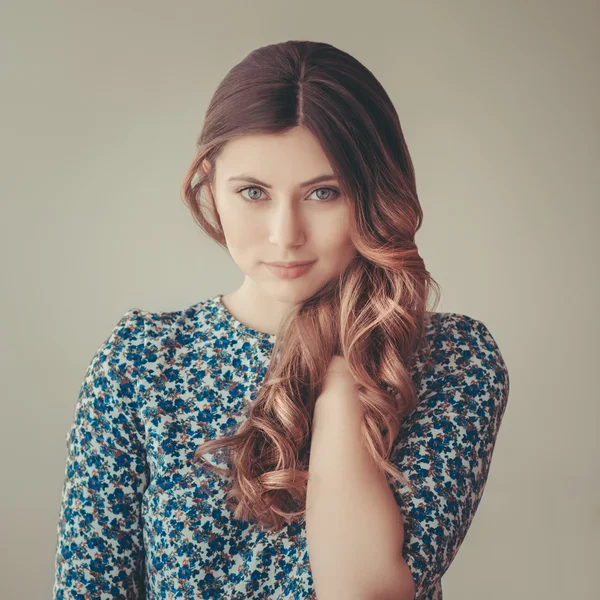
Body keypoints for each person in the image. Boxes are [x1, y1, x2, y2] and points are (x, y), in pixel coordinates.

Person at [53, 40, 510, 600]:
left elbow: (365, 592)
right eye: (253, 192)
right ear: (211, 189)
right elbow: (89, 587)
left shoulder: (451, 358)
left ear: (373, 196)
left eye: (323, 192)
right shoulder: (144, 358)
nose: (285, 234)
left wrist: (339, 370)